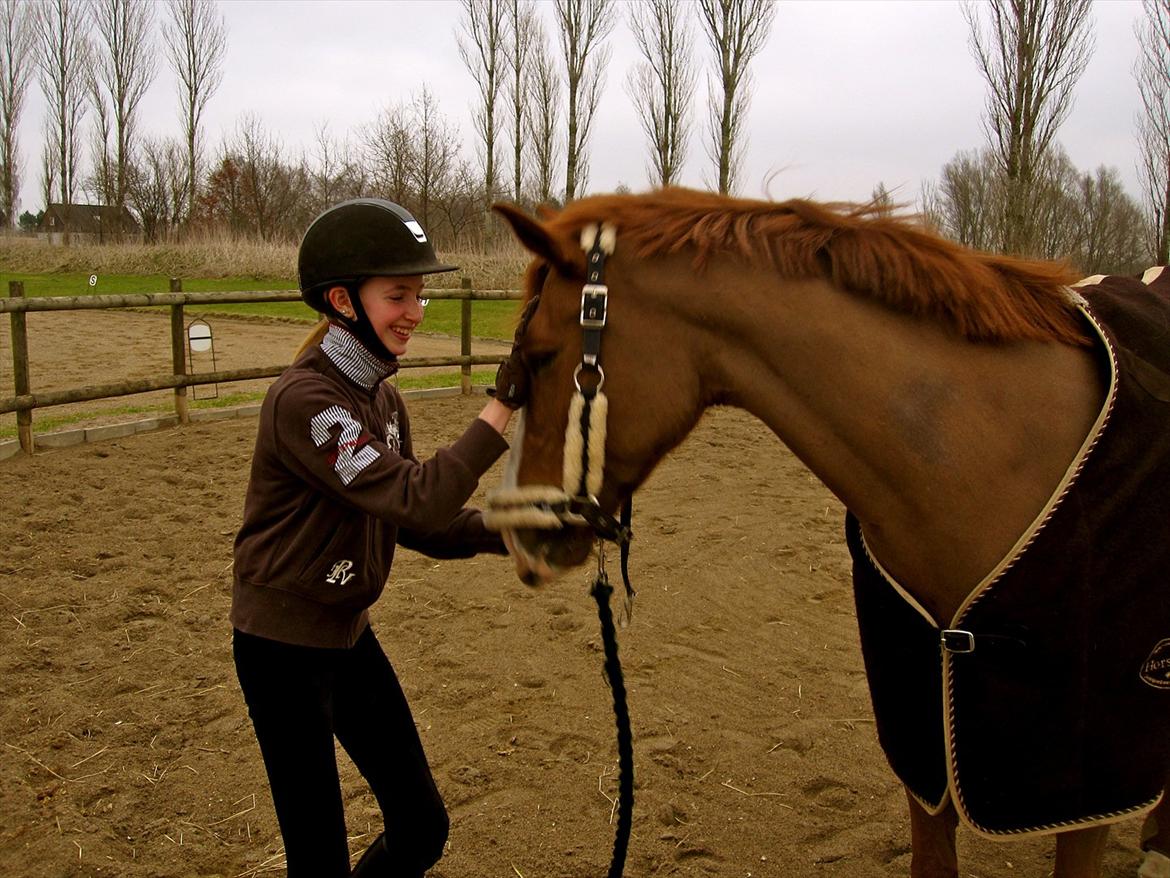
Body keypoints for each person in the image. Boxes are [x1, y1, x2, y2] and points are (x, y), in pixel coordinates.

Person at [230, 198, 530, 877]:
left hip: (346, 635)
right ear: (342, 300)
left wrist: (512, 531)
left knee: (421, 826)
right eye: (399, 295)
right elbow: (419, 499)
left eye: (419, 295)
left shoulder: (384, 401)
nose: (416, 311)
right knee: (319, 861)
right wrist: (503, 401)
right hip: (281, 653)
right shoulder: (306, 402)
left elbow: (414, 521)